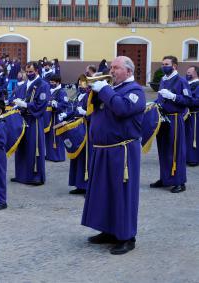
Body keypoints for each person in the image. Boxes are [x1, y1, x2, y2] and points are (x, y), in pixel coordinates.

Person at [81, 56, 146, 255]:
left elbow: (122, 108)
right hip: (102, 149)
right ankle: (108, 230)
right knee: (103, 192)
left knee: (122, 193)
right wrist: (92, 92)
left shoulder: (135, 90)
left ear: (128, 71)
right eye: (111, 67)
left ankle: (127, 236)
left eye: (116, 67)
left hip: (122, 150)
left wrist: (105, 90)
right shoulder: (112, 89)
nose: (112, 70)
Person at [150, 56, 192, 193]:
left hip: (174, 119)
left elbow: (188, 100)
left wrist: (173, 96)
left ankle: (180, 182)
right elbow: (162, 97)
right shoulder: (163, 79)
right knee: (163, 149)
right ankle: (165, 178)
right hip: (162, 118)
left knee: (176, 151)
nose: (163, 66)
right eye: (162, 64)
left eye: (166, 64)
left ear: (174, 65)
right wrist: (155, 102)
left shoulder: (181, 81)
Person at [11, 62, 50, 185]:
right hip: (22, 119)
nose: (28, 74)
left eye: (31, 72)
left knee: (34, 147)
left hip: (34, 119)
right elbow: (18, 98)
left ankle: (36, 175)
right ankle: (21, 175)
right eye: (27, 72)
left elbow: (41, 105)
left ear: (37, 71)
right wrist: (17, 105)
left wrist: (26, 105)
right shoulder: (23, 85)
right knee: (21, 147)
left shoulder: (43, 85)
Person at [58, 77, 91, 194]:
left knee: (86, 158)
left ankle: (87, 186)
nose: (81, 87)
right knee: (77, 157)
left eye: (83, 85)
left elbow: (94, 113)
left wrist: (86, 113)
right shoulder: (78, 95)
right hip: (77, 127)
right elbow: (75, 109)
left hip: (86, 129)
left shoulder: (90, 96)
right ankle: (79, 184)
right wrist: (66, 115)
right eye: (80, 84)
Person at [45, 74, 68, 162]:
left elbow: (65, 104)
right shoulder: (51, 91)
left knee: (57, 137)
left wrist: (56, 104)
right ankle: (50, 155)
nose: (51, 83)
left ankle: (58, 156)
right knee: (50, 136)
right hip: (50, 117)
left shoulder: (61, 91)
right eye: (50, 82)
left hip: (57, 117)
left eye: (53, 82)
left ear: (58, 82)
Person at [185, 66, 199, 166]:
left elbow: (197, 100)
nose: (187, 74)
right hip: (187, 115)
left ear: (195, 73)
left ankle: (193, 158)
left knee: (193, 137)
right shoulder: (187, 84)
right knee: (187, 137)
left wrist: (184, 100)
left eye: (189, 72)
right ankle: (186, 157)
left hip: (195, 115)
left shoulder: (197, 85)